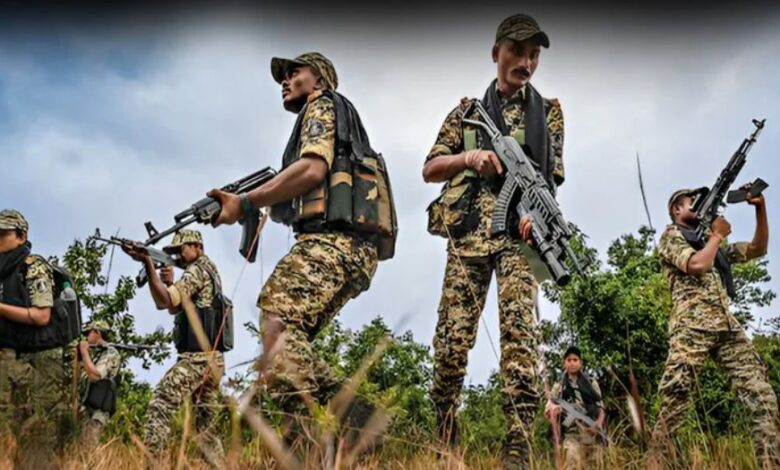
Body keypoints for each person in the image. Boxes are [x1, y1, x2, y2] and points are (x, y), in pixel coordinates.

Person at [208, 51, 396, 434]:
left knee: (276, 323)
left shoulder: (321, 107)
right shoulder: (337, 117)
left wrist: (245, 201)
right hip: (350, 248)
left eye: (295, 72)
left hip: (336, 242)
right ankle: (359, 419)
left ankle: (302, 442)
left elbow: (312, 169)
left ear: (320, 79)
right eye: (284, 74)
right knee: (289, 342)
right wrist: (263, 204)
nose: (285, 79)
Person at [421, 14, 565, 467]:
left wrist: (536, 222)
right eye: (518, 52)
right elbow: (430, 168)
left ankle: (518, 449)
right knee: (449, 346)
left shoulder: (551, 112)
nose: (526, 62)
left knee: (521, 344)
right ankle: (446, 435)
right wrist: (471, 156)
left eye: (534, 54)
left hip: (519, 242)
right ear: (496, 53)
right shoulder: (466, 112)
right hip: (467, 240)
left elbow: (550, 177)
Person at [649, 186, 780, 467]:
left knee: (761, 395)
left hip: (726, 329)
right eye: (691, 202)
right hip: (691, 327)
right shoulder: (672, 236)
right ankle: (657, 463)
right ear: (676, 210)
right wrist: (717, 235)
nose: (698, 205)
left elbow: (758, 248)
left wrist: (760, 208)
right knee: (676, 399)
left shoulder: (710, 242)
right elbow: (697, 264)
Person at [124, 229, 226, 463]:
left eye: (182, 250)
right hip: (213, 360)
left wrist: (148, 263)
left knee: (160, 404)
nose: (178, 256)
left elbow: (164, 302)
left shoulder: (197, 270)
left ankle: (154, 464)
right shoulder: (208, 270)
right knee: (206, 433)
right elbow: (175, 308)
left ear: (198, 247)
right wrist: (168, 282)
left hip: (197, 359)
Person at [0, 209, 67, 468]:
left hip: (40, 357)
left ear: (21, 236)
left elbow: (41, 315)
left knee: (37, 425)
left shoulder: (33, 265)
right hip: (12, 355)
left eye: (3, 234)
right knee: (12, 422)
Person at [546, 346, 605, 469]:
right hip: (571, 434)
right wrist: (555, 410)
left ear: (580, 363)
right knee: (571, 464)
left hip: (590, 431)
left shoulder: (590, 382)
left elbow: (601, 407)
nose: (572, 363)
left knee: (592, 466)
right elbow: (548, 409)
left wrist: (598, 424)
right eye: (569, 360)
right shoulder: (559, 386)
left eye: (575, 360)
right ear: (564, 363)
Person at [77, 319, 121, 446]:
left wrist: (85, 353)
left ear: (97, 333)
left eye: (89, 333)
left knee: (90, 446)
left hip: (98, 412)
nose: (87, 337)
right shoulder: (97, 354)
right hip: (87, 409)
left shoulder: (111, 353)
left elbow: (95, 376)